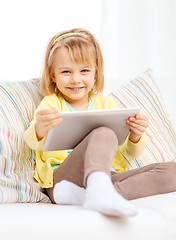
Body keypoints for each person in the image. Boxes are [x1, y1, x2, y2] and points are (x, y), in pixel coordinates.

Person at [24, 28, 176, 217]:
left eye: (84, 71)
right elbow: (31, 141)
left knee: (172, 171)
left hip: (107, 176)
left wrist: (136, 136)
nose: (76, 79)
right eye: (66, 72)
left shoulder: (106, 104)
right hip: (63, 180)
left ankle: (99, 194)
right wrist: (40, 127)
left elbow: (129, 152)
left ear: (96, 73)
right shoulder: (52, 103)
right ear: (53, 75)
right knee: (103, 132)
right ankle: (96, 190)